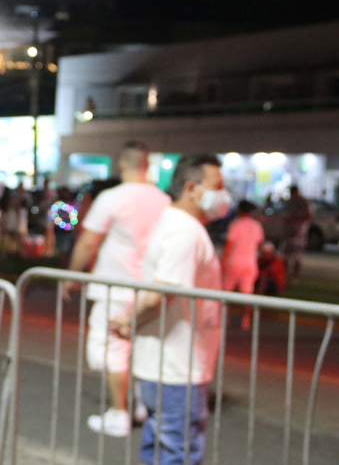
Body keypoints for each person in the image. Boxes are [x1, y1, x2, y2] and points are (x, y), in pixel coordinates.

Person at [110, 154, 229, 465]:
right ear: (191, 188)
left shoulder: (177, 224)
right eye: (217, 186)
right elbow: (160, 294)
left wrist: (131, 322)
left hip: (169, 364)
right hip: (176, 368)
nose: (224, 195)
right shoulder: (184, 231)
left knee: (160, 449)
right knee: (178, 452)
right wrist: (130, 321)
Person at [65, 141, 171, 437]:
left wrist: (71, 276)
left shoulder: (112, 198)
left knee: (111, 351)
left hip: (115, 286)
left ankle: (118, 412)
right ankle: (139, 405)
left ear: (122, 164)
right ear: (147, 165)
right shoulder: (163, 200)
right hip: (148, 289)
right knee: (138, 349)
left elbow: (88, 242)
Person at [222, 200, 265, 329]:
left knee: (226, 292)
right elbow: (259, 244)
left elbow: (229, 244)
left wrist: (223, 261)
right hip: (250, 262)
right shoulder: (256, 226)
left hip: (234, 262)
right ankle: (246, 321)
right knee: (247, 294)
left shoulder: (235, 224)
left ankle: (225, 317)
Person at [282, 186, 311, 279]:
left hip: (299, 232)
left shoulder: (303, 202)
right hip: (289, 232)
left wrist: (294, 219)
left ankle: (295, 273)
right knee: (286, 253)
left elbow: (308, 216)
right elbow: (285, 215)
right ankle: (285, 272)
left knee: (297, 254)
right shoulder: (290, 202)